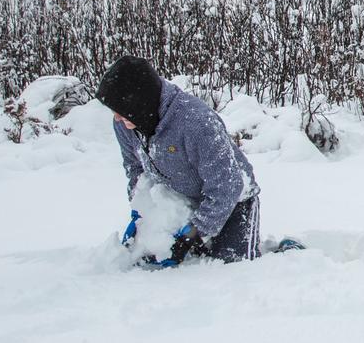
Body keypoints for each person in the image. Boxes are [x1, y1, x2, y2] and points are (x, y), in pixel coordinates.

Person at [95, 55, 261, 265]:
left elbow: (228, 185)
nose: (116, 117)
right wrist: (141, 210)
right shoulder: (125, 124)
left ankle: (288, 255)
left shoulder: (196, 123)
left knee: (230, 267)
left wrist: (192, 235)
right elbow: (135, 169)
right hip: (179, 201)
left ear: (139, 102)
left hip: (233, 199)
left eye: (120, 110)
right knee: (149, 262)